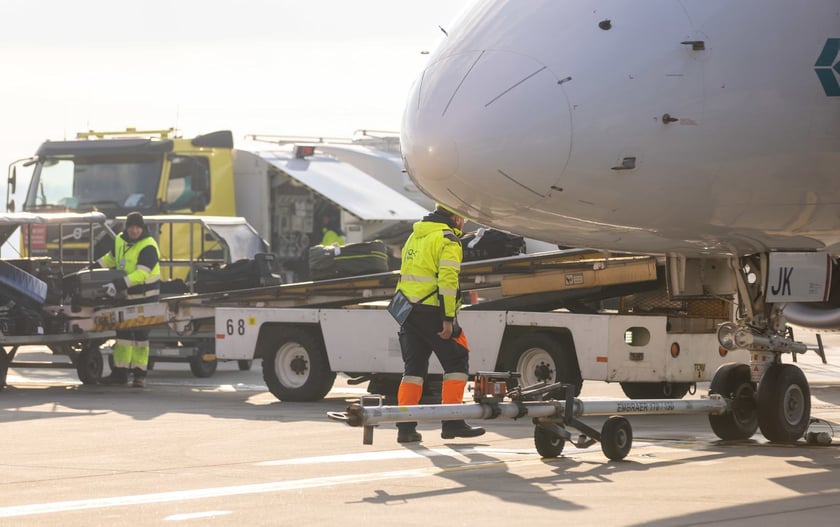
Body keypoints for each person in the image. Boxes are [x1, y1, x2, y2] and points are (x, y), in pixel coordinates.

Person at [394, 203, 485, 443]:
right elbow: (447, 281)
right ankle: (453, 421)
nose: (463, 223)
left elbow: (404, 273)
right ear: (455, 217)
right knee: (457, 360)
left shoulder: (415, 235)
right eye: (462, 218)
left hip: (409, 311)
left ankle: (405, 429)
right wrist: (447, 319)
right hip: (433, 311)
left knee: (413, 370)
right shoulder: (448, 240)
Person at [96, 211, 161, 388]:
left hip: (145, 297)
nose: (134, 230)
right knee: (123, 335)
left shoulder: (149, 245)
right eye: (131, 227)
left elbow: (141, 274)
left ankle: (139, 376)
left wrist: (119, 285)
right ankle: (120, 373)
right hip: (126, 296)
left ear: (143, 228)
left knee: (140, 336)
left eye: (138, 227)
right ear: (127, 227)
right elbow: (111, 259)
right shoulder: (120, 240)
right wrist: (93, 268)